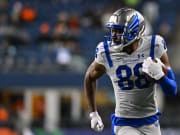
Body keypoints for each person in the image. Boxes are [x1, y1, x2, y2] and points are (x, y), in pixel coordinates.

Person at [84, 8, 177, 135]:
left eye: (119, 31)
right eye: (113, 31)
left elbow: (172, 90)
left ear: (134, 31)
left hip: (151, 122)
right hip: (124, 123)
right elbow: (90, 77)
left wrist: (161, 76)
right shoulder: (106, 52)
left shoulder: (155, 46)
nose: (113, 35)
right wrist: (93, 113)